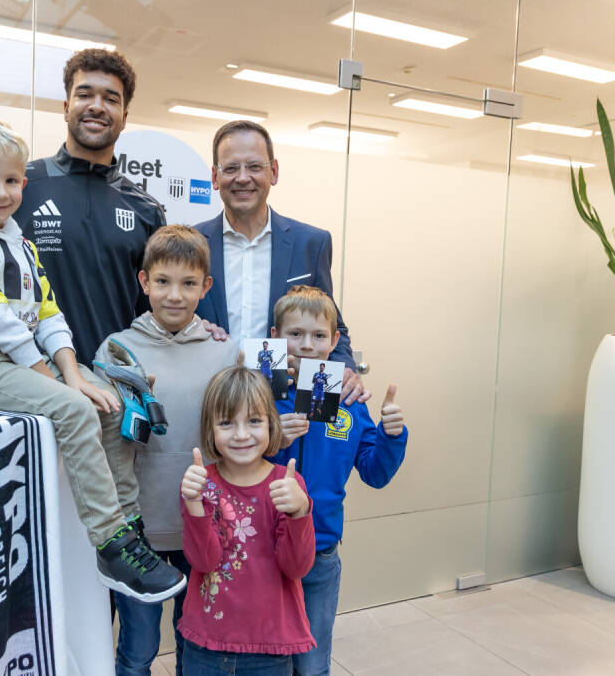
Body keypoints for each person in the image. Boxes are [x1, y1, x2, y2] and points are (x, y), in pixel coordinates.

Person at [0, 118, 185, 603]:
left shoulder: (19, 244)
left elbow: (48, 313)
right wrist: (57, 385)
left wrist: (71, 372)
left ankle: (128, 523)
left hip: (19, 360)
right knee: (74, 408)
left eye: (12, 181)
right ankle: (110, 543)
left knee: (110, 403)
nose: (1, 192)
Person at [94, 225, 239, 675]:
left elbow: (236, 438)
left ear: (205, 287)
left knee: (194, 644)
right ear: (144, 282)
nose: (174, 295)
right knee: (137, 648)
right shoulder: (118, 351)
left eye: (188, 283)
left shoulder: (225, 351)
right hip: (141, 529)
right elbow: (103, 443)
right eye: (162, 282)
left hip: (204, 526)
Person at [270, 286, 408, 676]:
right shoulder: (260, 394)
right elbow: (233, 460)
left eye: (317, 336)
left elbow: (375, 473)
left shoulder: (349, 401)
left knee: (312, 665)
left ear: (334, 341)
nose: (306, 345)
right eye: (295, 334)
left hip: (321, 550)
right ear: (277, 335)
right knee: (268, 662)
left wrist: (391, 436)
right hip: (264, 547)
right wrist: (273, 437)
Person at [194, 120, 368, 403]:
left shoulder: (310, 243)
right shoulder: (192, 244)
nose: (242, 178)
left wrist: (346, 370)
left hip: (283, 407)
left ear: (273, 172)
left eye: (254, 167)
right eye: (231, 168)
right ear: (215, 177)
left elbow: (333, 327)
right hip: (207, 405)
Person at [13, 48, 166, 367]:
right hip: (32, 386)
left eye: (111, 99)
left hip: (115, 392)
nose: (97, 106)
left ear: (124, 118)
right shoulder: (20, 187)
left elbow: (159, 313)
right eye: (85, 94)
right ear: (67, 108)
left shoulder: (147, 211)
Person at [178, 366, 316, 673]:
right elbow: (203, 561)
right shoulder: (200, 484)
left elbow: (297, 567)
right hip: (206, 647)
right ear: (210, 428)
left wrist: (299, 512)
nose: (241, 435)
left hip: (269, 649)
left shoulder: (287, 485)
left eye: (254, 421)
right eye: (227, 423)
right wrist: (193, 503)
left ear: (270, 423)